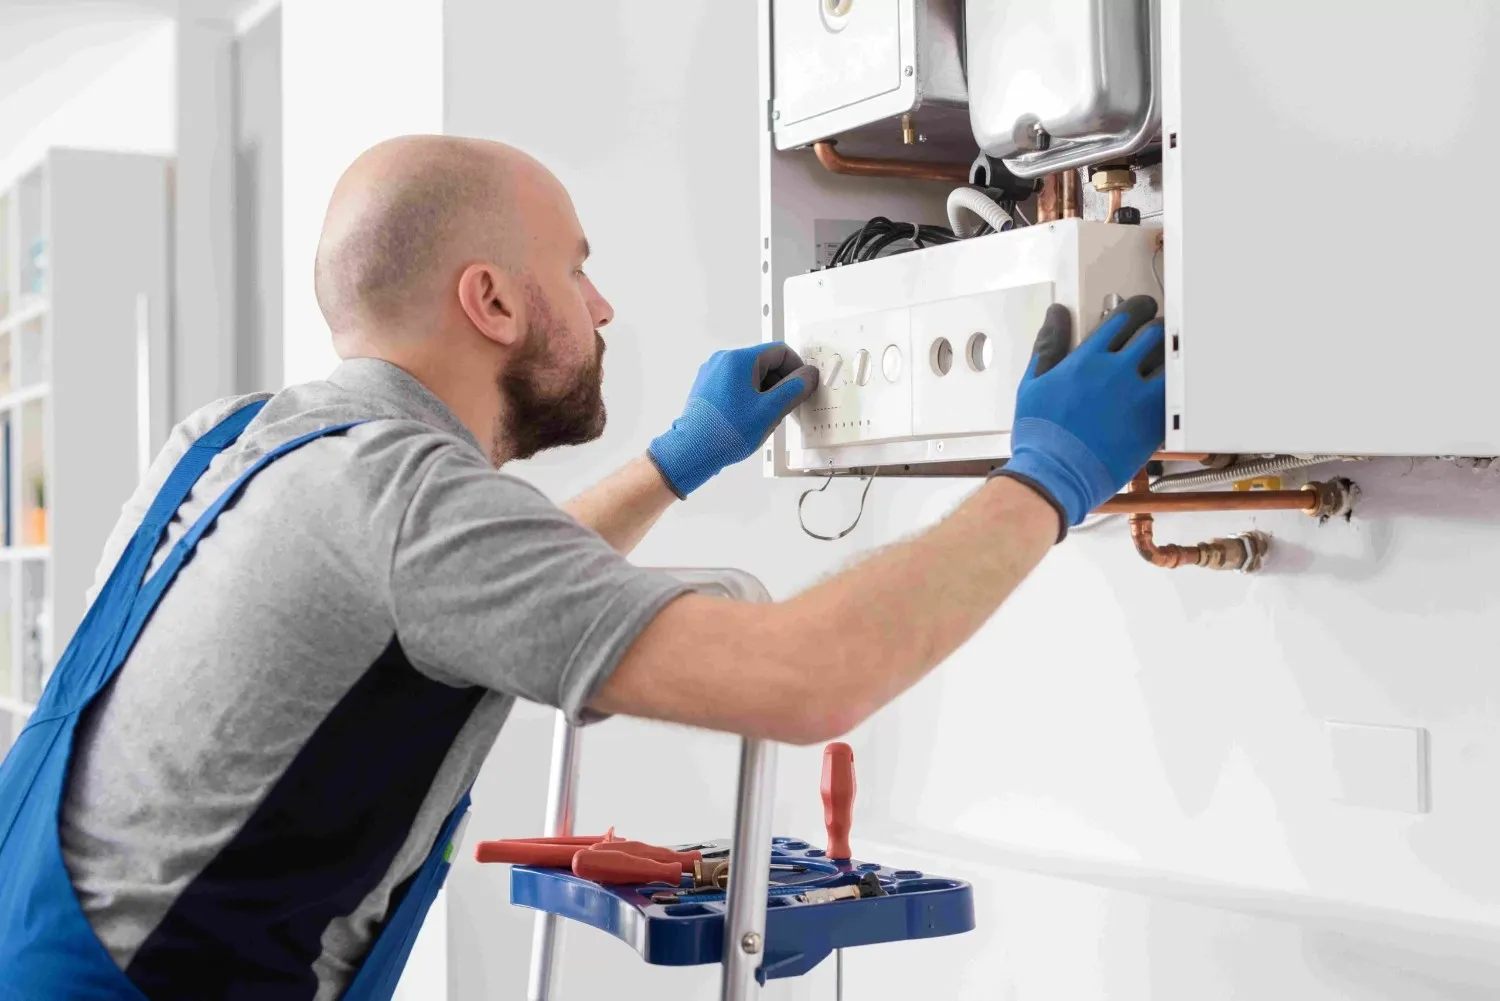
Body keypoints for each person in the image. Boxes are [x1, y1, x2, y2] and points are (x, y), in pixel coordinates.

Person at [0, 135, 1165, 1000]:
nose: (603, 304)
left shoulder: (233, 436)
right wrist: (1048, 477)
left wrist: (672, 464)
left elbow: (470, 590)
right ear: (493, 299)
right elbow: (807, 676)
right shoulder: (409, 508)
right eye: (576, 267)